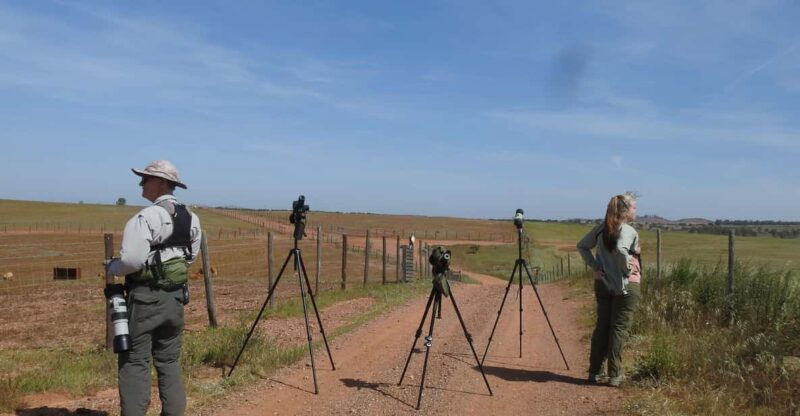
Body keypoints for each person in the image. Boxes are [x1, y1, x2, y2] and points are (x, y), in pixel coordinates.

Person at [106, 160, 201, 415]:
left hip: (146, 299)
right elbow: (190, 257)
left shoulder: (146, 217)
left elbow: (131, 261)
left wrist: (112, 267)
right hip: (176, 300)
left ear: (160, 183)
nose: (141, 183)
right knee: (169, 361)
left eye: (145, 178)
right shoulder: (191, 218)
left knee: (135, 361)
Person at [576, 193, 641, 387]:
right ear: (625, 210)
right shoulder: (628, 230)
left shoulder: (600, 228)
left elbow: (582, 246)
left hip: (602, 283)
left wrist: (596, 266)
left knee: (602, 326)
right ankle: (615, 375)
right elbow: (622, 250)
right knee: (619, 328)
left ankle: (595, 372)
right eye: (634, 207)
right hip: (627, 284)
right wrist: (626, 269)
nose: (636, 211)